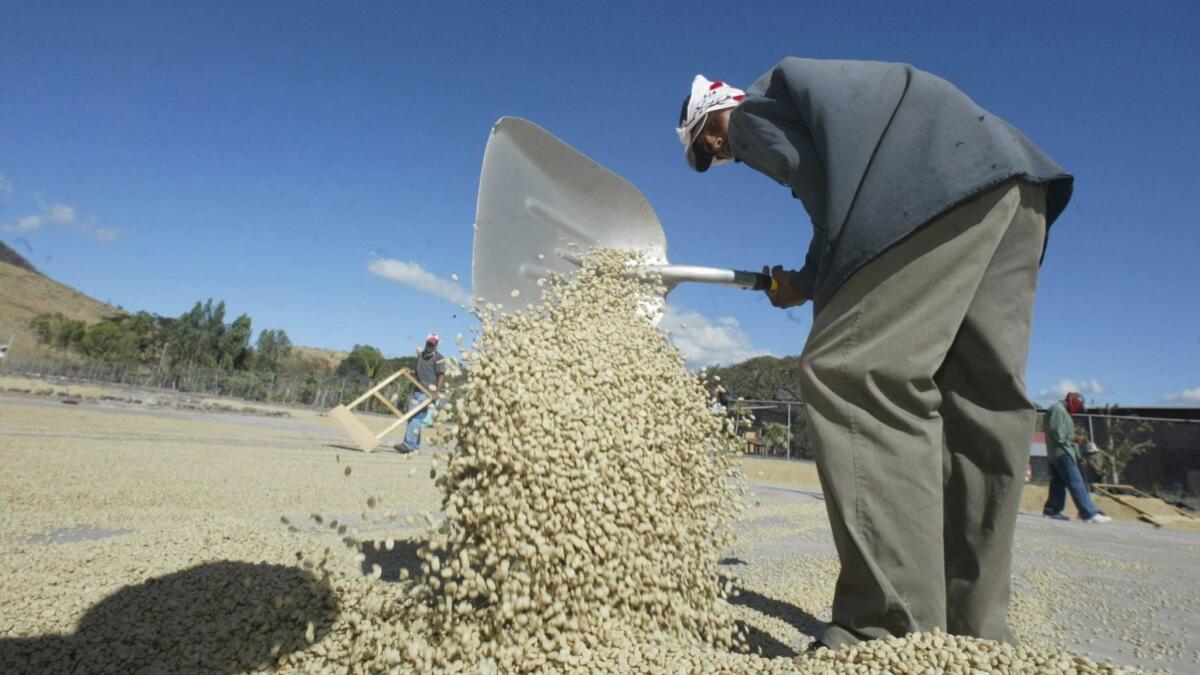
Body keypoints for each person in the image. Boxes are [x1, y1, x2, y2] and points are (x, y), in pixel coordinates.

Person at [676, 59, 1074, 649]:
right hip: (1013, 184)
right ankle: (974, 638)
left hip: (926, 183)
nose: (721, 152)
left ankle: (887, 633)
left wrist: (814, 281)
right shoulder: (824, 104)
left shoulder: (750, 116)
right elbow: (837, 199)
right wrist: (806, 281)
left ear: (709, 123)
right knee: (978, 408)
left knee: (851, 373)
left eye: (712, 147)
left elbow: (829, 198)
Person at [1042, 393, 1111, 523]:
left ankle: (1051, 511)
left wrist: (1079, 457)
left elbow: (1067, 436)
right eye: (1079, 407)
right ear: (1074, 403)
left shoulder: (1064, 412)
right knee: (1076, 482)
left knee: (1058, 483)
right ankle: (1089, 514)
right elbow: (1057, 432)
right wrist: (1075, 438)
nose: (1078, 410)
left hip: (1060, 453)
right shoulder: (1058, 409)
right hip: (1062, 453)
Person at [394, 333, 446, 454]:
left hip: (428, 394)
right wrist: (409, 371)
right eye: (428, 344)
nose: (430, 346)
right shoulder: (420, 356)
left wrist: (436, 392)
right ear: (426, 343)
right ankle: (415, 446)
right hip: (417, 391)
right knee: (413, 418)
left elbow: (441, 376)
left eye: (432, 345)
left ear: (436, 345)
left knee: (415, 417)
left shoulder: (439, 358)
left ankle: (409, 444)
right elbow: (415, 371)